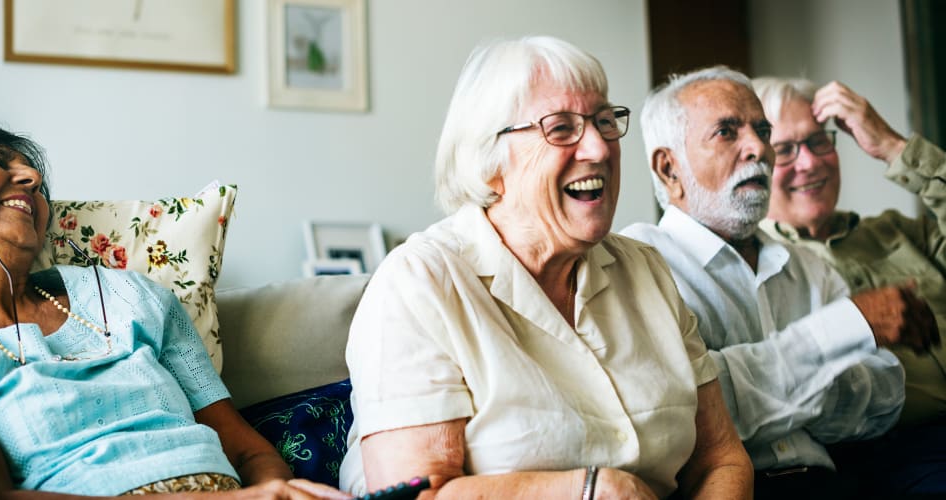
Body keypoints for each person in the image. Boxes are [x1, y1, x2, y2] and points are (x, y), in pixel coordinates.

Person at [338, 36, 752, 499]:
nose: (598, 148)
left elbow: (722, 458)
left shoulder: (645, 269)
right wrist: (592, 491)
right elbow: (416, 495)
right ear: (489, 162)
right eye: (560, 128)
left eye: (603, 121)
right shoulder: (420, 284)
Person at [0, 119, 348, 499]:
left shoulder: (128, 295)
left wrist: (278, 491)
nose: (33, 180)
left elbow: (249, 452)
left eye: (35, 177)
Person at [620, 66, 939, 500]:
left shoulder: (807, 265)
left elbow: (884, 396)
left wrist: (758, 380)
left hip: (832, 485)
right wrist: (841, 335)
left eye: (761, 130)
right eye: (727, 132)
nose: (758, 148)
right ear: (669, 168)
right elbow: (688, 412)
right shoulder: (640, 260)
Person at [753, 76, 946, 496]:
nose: (809, 163)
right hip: (892, 454)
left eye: (819, 141)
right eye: (784, 150)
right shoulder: (760, 265)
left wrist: (895, 148)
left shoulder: (897, 231)